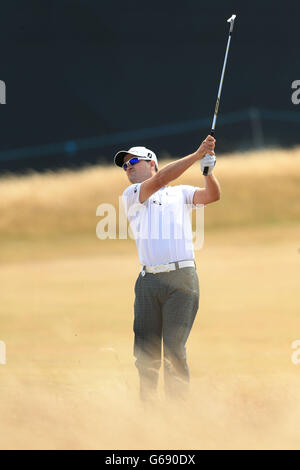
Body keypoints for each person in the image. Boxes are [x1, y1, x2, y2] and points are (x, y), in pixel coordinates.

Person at [114, 136, 220, 402]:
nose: (128, 168)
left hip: (182, 278)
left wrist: (208, 173)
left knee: (174, 349)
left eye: (133, 162)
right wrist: (197, 155)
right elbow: (160, 180)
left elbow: (212, 196)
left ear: (152, 163)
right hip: (148, 280)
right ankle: (148, 409)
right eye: (125, 166)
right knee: (146, 352)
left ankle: (178, 412)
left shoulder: (180, 193)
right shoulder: (132, 195)